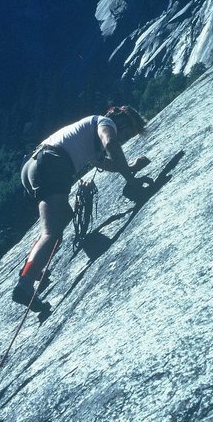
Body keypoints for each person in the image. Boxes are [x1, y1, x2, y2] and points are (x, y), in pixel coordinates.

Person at [12, 105, 152, 317]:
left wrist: (129, 167)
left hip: (33, 165)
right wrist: (131, 182)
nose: (124, 138)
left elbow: (104, 162)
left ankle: (33, 267)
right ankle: (25, 284)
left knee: (62, 218)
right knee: (51, 233)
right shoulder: (106, 123)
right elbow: (111, 143)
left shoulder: (87, 131)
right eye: (127, 133)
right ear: (122, 122)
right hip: (51, 163)